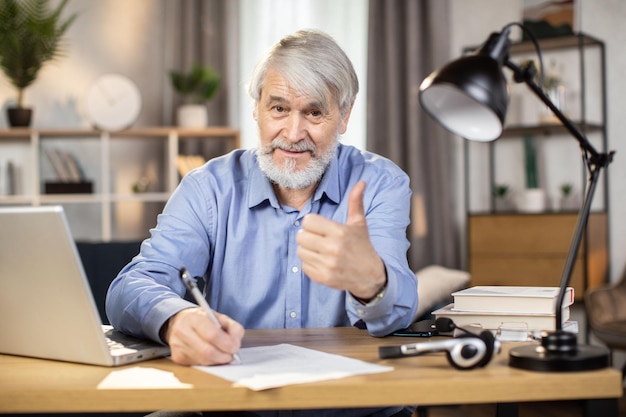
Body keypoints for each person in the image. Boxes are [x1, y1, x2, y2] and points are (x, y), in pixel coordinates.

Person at [106, 29, 418, 417]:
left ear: (344, 117)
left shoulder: (381, 183)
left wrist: (372, 280)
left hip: (355, 411)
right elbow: (129, 287)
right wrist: (176, 320)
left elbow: (401, 308)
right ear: (256, 108)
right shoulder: (208, 188)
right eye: (279, 108)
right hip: (231, 410)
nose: (292, 133)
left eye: (315, 112)